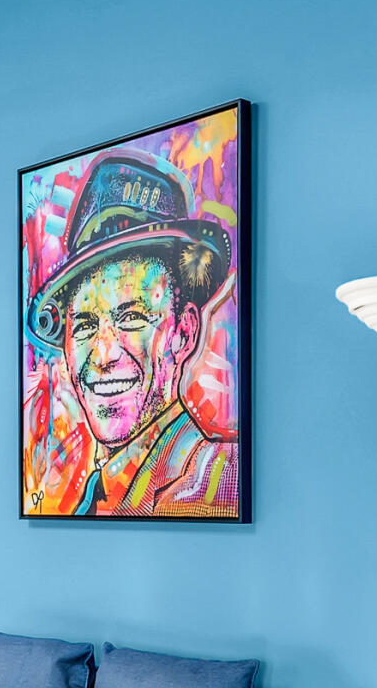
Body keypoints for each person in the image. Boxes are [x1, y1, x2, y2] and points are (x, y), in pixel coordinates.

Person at [23, 147, 239, 517]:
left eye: (132, 318)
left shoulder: (218, 479)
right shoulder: (98, 492)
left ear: (184, 333)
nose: (104, 354)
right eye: (87, 325)